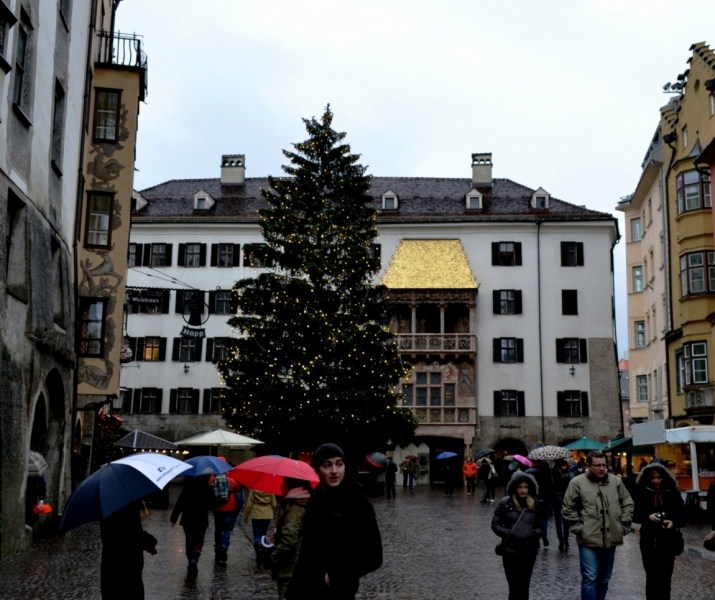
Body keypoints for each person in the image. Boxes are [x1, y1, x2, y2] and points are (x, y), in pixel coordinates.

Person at [286, 443, 382, 599]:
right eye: (327, 465)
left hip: (340, 591)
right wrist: (292, 592)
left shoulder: (357, 502)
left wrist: (335, 577)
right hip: (311, 591)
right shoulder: (315, 501)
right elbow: (307, 552)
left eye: (339, 464)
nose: (334, 471)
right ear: (317, 469)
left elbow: (374, 556)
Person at [562, 450, 634, 600]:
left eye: (604, 465)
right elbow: (567, 508)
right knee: (590, 578)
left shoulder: (615, 482)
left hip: (611, 537)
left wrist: (624, 525)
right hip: (588, 538)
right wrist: (579, 528)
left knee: (603, 580)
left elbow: (627, 503)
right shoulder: (577, 483)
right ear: (588, 466)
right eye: (597, 465)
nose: (602, 468)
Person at [632, 462, 686, 600]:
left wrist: (673, 522)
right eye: (652, 478)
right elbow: (634, 514)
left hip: (668, 540)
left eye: (658, 477)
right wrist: (647, 517)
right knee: (651, 577)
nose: (655, 481)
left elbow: (683, 516)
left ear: (664, 477)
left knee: (665, 578)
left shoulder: (673, 493)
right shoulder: (641, 492)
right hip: (648, 540)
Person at [491, 471, 544, 600]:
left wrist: (533, 534)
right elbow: (495, 524)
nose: (523, 490)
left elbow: (541, 526)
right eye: (520, 487)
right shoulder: (505, 503)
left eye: (525, 487)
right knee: (514, 587)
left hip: (529, 551)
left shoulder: (536, 503)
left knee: (524, 587)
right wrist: (509, 533)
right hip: (511, 551)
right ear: (514, 487)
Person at [100, 500, 157, 600]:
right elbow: (135, 534)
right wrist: (150, 544)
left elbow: (106, 537)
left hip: (111, 563)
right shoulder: (128, 506)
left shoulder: (106, 508)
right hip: (129, 564)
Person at [270, 478, 312, 600]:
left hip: (291, 569)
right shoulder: (304, 505)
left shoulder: (295, 510)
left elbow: (289, 542)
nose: (281, 487)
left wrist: (273, 557)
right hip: (301, 568)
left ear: (291, 488)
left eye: (284, 484)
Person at [170, 475, 212, 575]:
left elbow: (179, 503)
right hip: (201, 519)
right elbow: (211, 502)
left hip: (188, 519)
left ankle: (190, 561)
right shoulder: (206, 488)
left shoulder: (187, 488)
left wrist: (174, 518)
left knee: (189, 541)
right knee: (199, 540)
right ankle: (195, 559)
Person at [210, 471, 244, 566]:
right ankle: (224, 546)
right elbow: (237, 488)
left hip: (217, 509)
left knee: (218, 529)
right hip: (229, 508)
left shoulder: (212, 479)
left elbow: (209, 489)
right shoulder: (229, 480)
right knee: (227, 529)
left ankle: (217, 548)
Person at [243, 488, 277, 568]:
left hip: (256, 514)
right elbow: (274, 504)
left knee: (257, 535)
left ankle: (258, 548)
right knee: (263, 534)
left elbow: (249, 504)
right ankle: (262, 553)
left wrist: (246, 517)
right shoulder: (270, 489)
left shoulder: (254, 489)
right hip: (267, 515)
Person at [526, 459, 554, 546]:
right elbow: (550, 486)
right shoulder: (547, 471)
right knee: (544, 517)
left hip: (533, 497)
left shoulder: (529, 471)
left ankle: (536, 537)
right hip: (545, 497)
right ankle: (544, 534)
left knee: (534, 518)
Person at [551, 459, 571, 552]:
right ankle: (566, 539)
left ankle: (561, 541)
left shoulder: (553, 474)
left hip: (556, 499)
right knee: (566, 520)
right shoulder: (567, 474)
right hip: (566, 499)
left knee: (558, 521)